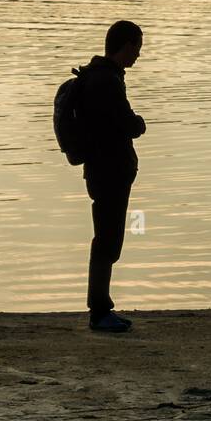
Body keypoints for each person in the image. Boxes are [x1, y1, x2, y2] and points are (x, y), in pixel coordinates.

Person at [80, 20, 146, 333]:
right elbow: (125, 122)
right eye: (137, 48)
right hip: (109, 171)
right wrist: (140, 124)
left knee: (107, 239)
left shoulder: (99, 76)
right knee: (108, 240)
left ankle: (101, 308)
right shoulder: (107, 80)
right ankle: (100, 312)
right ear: (127, 45)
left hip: (101, 169)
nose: (138, 56)